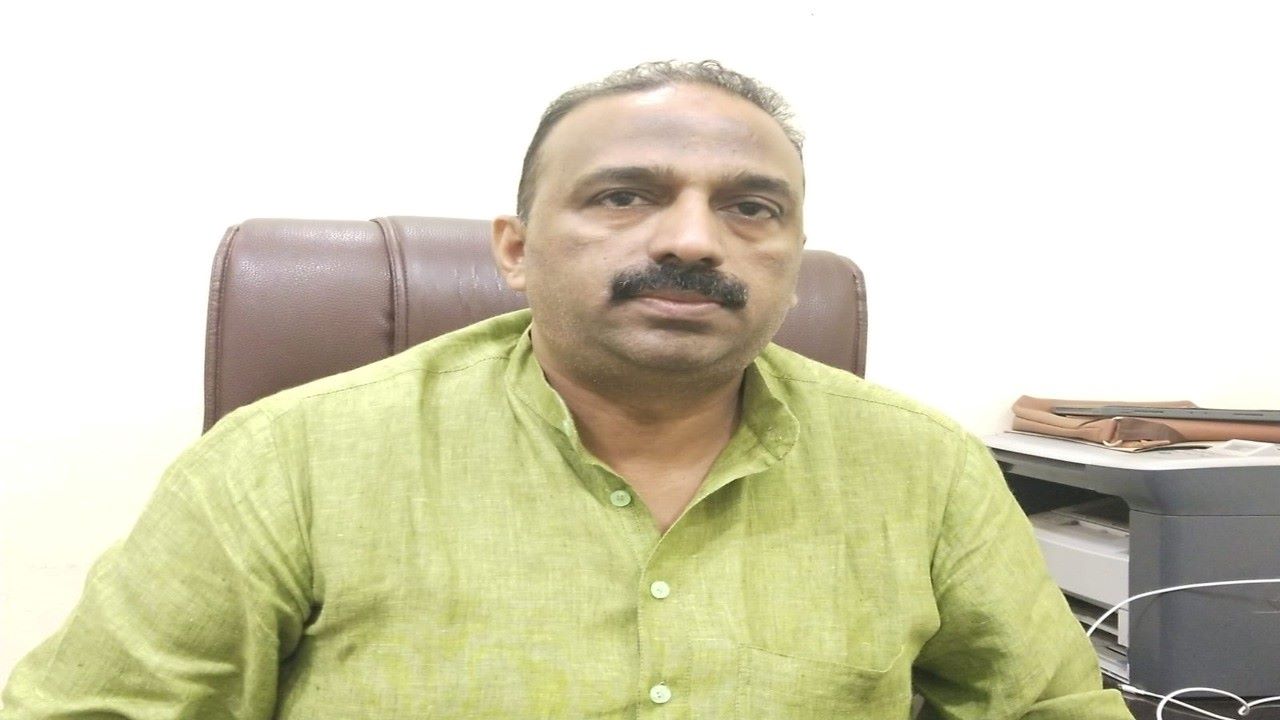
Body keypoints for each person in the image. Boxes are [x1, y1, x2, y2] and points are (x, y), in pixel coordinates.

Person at [1, 60, 1133, 719]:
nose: (693, 239)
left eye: (749, 208)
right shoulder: (286, 461)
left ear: (793, 262)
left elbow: (1049, 708)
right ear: (515, 248)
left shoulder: (923, 469)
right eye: (624, 196)